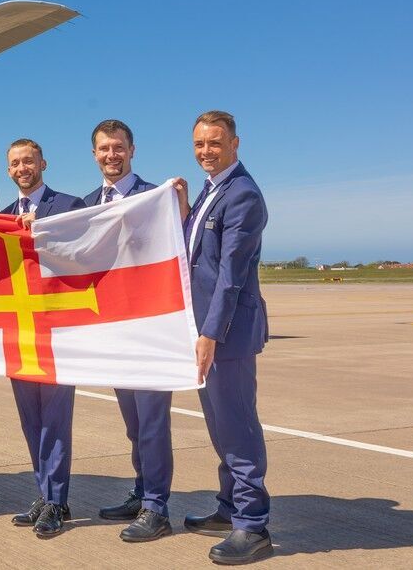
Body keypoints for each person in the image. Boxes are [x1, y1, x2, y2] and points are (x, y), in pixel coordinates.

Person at [79, 119, 176, 543]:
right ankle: (141, 492)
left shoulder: (154, 198)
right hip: (114, 330)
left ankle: (157, 506)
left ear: (132, 150)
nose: (111, 155)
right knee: (134, 423)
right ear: (94, 154)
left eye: (118, 148)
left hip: (151, 328)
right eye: (103, 149)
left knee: (153, 421)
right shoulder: (86, 204)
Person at [182, 111, 272, 564]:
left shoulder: (243, 195)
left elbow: (231, 277)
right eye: (199, 144)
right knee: (219, 425)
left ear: (235, 144)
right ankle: (228, 505)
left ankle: (252, 525)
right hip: (206, 331)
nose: (206, 151)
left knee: (237, 425)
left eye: (214, 143)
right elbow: (199, 260)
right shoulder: (210, 191)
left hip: (227, 335)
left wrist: (210, 333)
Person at [0, 138, 85, 538]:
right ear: (9, 170)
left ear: (43, 164)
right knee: (30, 419)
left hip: (56, 333)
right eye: (15, 163)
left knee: (54, 419)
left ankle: (57, 500)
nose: (22, 168)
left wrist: (45, 233)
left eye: (28, 161)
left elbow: (84, 256)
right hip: (20, 333)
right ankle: (44, 492)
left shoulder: (69, 207)